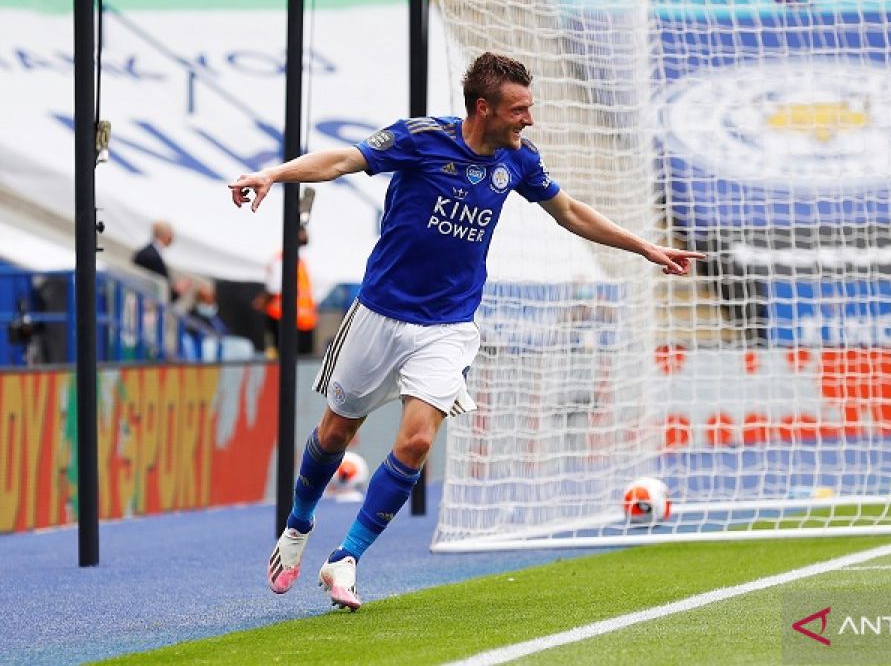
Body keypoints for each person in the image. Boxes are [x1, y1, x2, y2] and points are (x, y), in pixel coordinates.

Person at [228, 52, 703, 611]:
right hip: (378, 314)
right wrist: (272, 174)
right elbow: (339, 161)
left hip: (448, 326)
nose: (529, 120)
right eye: (519, 109)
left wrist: (645, 247)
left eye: (530, 108)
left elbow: (569, 212)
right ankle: (299, 525)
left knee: (418, 440)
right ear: (484, 108)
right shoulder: (420, 139)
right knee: (335, 434)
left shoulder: (520, 161)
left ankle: (346, 558)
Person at [256, 225, 317, 355]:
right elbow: (274, 287)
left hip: (302, 321)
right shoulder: (283, 259)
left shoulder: (300, 260)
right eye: (302, 231)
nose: (305, 234)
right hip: (286, 318)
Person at [132, 220, 187, 301]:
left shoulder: (145, 251)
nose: (172, 238)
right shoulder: (154, 256)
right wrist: (177, 291)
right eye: (171, 235)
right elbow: (163, 291)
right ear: (166, 235)